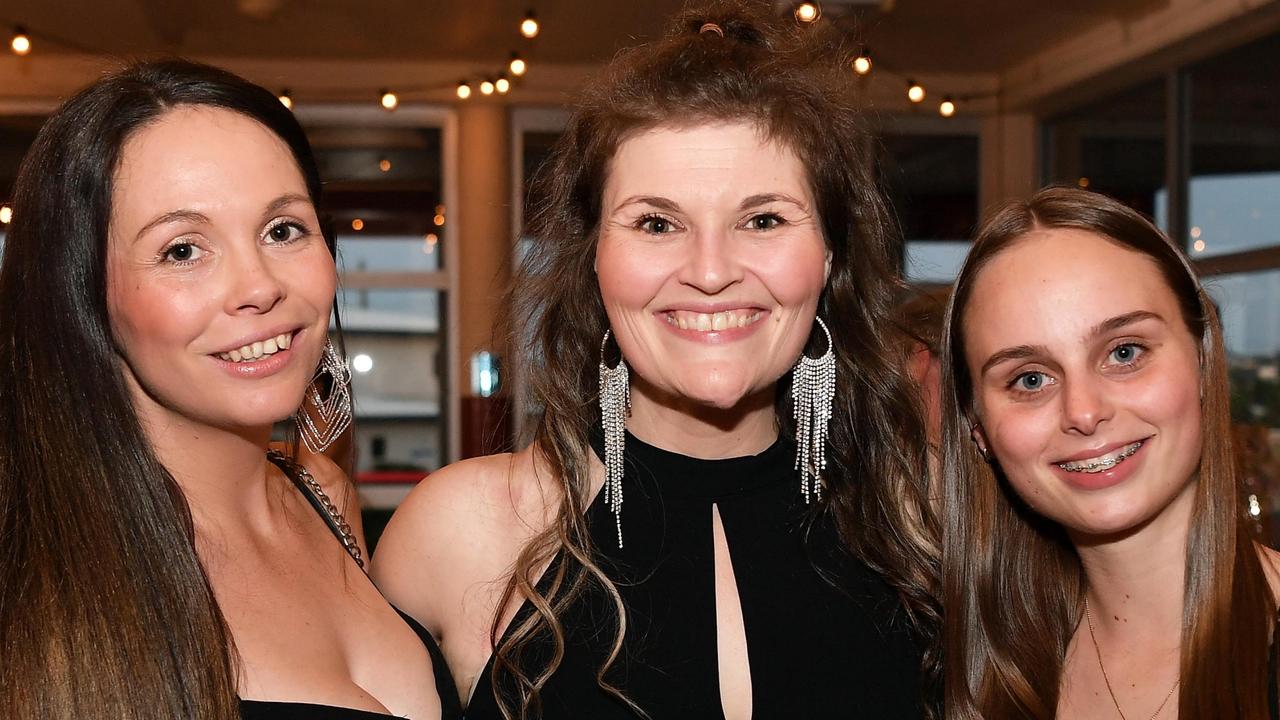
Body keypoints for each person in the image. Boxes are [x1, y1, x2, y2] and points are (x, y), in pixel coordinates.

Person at [372, 4, 938, 719]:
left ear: (828, 255)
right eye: (656, 223)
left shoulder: (917, 522)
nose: (709, 271)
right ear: (594, 261)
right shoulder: (462, 534)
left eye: (762, 220)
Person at [0, 60, 460, 720]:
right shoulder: (36, 570)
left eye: (283, 230)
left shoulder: (325, 499)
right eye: (183, 250)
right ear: (82, 294)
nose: (258, 286)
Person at [941, 186, 1280, 719]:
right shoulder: (963, 673)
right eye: (1030, 379)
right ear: (977, 428)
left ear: (1203, 361)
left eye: (1124, 352)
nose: (1083, 410)